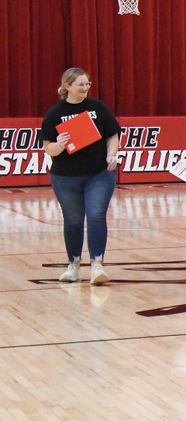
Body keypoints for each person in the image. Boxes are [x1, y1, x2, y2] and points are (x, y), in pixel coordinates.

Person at [41, 67, 122, 285]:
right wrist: (60, 144)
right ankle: (73, 265)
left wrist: (112, 154)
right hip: (65, 176)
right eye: (80, 85)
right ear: (67, 86)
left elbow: (113, 134)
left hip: (98, 173)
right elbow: (48, 148)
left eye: (87, 84)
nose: (85, 88)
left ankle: (97, 265)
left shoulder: (98, 108)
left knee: (96, 214)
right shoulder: (54, 113)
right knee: (73, 219)